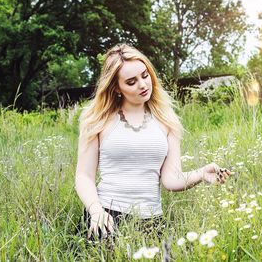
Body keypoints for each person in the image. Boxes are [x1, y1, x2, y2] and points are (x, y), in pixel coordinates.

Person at [75, 43, 232, 239]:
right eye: (131, 82)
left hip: (151, 222)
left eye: (145, 75)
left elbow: (171, 180)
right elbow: (83, 176)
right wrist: (96, 210)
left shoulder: (167, 121)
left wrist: (202, 174)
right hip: (106, 218)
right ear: (116, 87)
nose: (142, 84)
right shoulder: (97, 119)